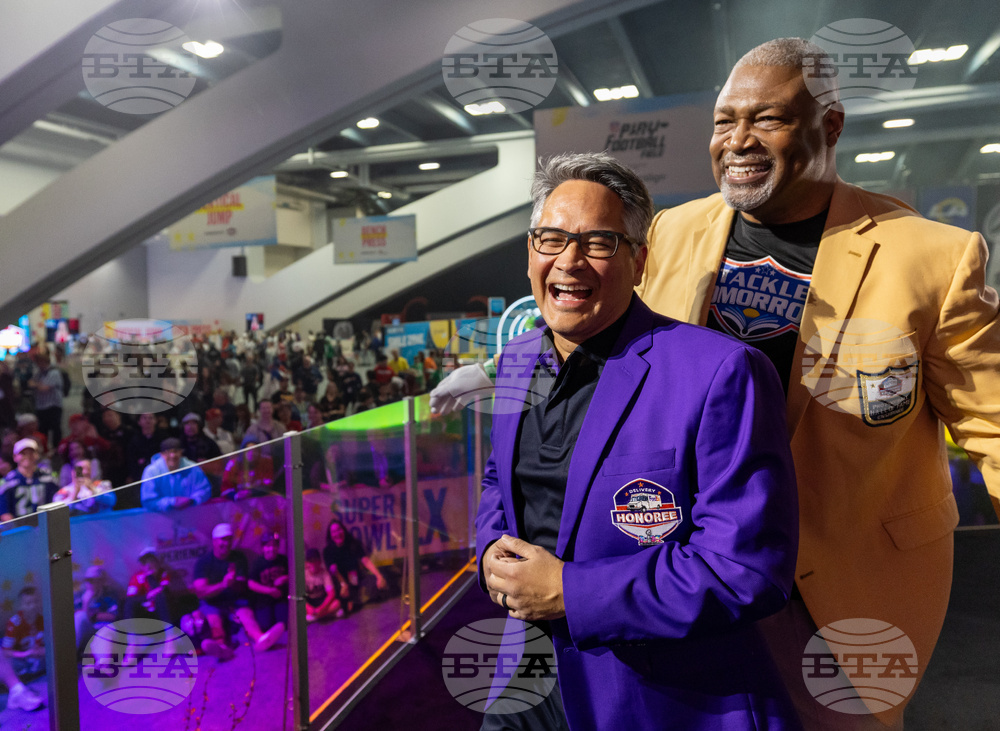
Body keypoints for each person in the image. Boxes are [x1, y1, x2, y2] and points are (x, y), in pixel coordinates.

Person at [628, 38, 1000, 729]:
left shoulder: (932, 257)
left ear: (830, 126)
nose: (738, 141)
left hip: (840, 590)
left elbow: (993, 423)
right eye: (724, 121)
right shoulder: (672, 232)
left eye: (767, 119)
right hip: (687, 574)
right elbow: (621, 361)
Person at [475, 152, 799, 730]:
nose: (568, 261)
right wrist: (489, 556)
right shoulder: (516, 362)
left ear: (640, 260)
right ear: (530, 251)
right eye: (551, 239)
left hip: (653, 700)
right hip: (523, 682)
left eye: (598, 242)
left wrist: (571, 593)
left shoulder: (721, 372)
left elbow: (745, 569)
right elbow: (500, 480)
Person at [192, 523, 283, 660]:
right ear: (214, 541)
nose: (226, 543)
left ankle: (261, 639)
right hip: (212, 602)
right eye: (223, 539)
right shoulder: (203, 562)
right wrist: (223, 584)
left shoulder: (238, 557)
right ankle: (221, 647)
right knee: (214, 618)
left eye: (229, 539)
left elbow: (242, 586)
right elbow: (201, 592)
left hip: (235, 600)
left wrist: (233, 582)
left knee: (246, 614)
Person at [323, 518, 389, 613]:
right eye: (334, 532)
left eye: (339, 530)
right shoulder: (327, 551)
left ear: (343, 530)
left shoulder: (353, 543)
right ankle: (352, 601)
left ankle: (354, 601)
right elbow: (333, 570)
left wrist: (379, 576)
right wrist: (343, 584)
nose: (337, 533)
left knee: (380, 580)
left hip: (357, 580)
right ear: (330, 535)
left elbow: (365, 560)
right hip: (340, 583)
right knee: (341, 600)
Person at [124, 547, 194, 624]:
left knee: (161, 596)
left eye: (151, 561)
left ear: (158, 562)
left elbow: (164, 588)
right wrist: (147, 596)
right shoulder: (136, 577)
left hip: (160, 611)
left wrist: (151, 579)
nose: (147, 565)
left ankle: (168, 627)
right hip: (144, 611)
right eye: (144, 562)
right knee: (129, 603)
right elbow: (131, 597)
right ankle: (129, 629)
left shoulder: (163, 573)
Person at [140, 437, 212, 511]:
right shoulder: (151, 471)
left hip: (189, 513)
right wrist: (172, 502)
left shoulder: (193, 468)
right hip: (161, 516)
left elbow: (205, 490)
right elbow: (148, 500)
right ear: (162, 454)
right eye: (168, 452)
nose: (172, 455)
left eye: (176, 451)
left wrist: (191, 501)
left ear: (181, 452)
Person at [0, 438, 57, 522]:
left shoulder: (48, 478)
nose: (27, 456)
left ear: (37, 455)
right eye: (23, 453)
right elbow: (5, 513)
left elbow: (57, 503)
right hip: (19, 528)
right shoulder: (7, 482)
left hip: (45, 524)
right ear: (15, 457)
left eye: (31, 453)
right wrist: (18, 528)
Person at [74, 566, 123, 656]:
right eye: (88, 580)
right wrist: (86, 602)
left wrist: (93, 615)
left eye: (94, 580)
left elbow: (113, 616)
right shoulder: (80, 595)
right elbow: (75, 615)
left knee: (107, 629)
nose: (91, 583)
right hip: (86, 631)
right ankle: (72, 653)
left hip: (101, 629)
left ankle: (102, 660)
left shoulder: (109, 595)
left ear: (101, 581)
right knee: (79, 617)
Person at [248, 532, 289, 635]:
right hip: (264, 600)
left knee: (284, 623)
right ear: (263, 548)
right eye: (268, 546)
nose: (271, 549)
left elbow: (294, 575)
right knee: (264, 625)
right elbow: (251, 583)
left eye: (274, 545)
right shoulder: (257, 563)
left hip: (281, 598)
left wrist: (285, 578)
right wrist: (270, 591)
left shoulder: (283, 560)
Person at [303, 548, 343, 622]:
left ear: (319, 562)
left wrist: (321, 608)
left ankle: (316, 617)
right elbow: (300, 596)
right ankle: (327, 614)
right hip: (311, 602)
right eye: (310, 561)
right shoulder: (304, 575)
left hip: (322, 601)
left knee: (337, 603)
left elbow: (331, 594)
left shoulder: (325, 574)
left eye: (315, 561)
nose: (313, 564)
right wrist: (308, 607)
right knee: (300, 607)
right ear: (306, 563)